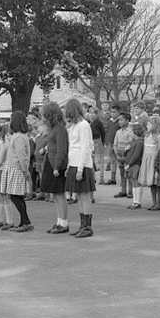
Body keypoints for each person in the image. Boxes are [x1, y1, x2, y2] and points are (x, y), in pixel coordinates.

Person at [64, 99, 96, 238]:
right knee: (79, 196)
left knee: (84, 196)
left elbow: (85, 148)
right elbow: (72, 147)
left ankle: (87, 226)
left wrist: (80, 169)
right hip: (74, 163)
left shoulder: (84, 125)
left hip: (82, 165)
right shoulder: (74, 126)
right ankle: (82, 224)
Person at [40, 102, 70, 234]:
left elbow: (61, 150)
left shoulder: (59, 129)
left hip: (56, 165)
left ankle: (64, 222)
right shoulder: (53, 128)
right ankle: (59, 221)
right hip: (50, 162)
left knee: (60, 194)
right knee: (55, 195)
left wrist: (57, 166)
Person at [139, 115, 160, 209]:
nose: (147, 126)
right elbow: (145, 150)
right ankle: (154, 202)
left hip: (155, 161)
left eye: (149, 124)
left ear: (155, 125)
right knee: (151, 183)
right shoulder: (147, 136)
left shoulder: (159, 137)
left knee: (157, 183)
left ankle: (158, 202)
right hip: (147, 161)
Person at [112, 112, 134, 198]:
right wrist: (117, 154)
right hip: (119, 153)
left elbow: (131, 143)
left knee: (128, 173)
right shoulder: (118, 132)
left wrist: (126, 155)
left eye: (122, 120)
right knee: (122, 173)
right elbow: (115, 144)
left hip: (127, 153)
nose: (120, 122)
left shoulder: (130, 131)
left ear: (127, 121)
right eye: (119, 120)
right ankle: (123, 190)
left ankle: (130, 191)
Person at [125, 125, 145, 210]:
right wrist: (125, 150)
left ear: (135, 133)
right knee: (133, 183)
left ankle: (138, 202)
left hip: (135, 164)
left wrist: (129, 164)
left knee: (137, 182)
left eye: (130, 132)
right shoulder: (132, 142)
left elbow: (136, 155)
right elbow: (126, 154)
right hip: (131, 165)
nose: (129, 134)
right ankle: (134, 201)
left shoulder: (139, 142)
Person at [102, 104, 121, 185]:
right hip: (110, 143)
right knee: (112, 160)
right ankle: (112, 178)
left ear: (118, 113)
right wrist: (106, 141)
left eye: (114, 112)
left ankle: (123, 178)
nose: (113, 114)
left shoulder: (120, 122)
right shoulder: (109, 122)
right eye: (112, 112)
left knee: (120, 161)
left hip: (118, 144)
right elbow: (108, 131)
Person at [88, 107, 106, 184]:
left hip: (97, 140)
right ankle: (93, 177)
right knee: (91, 160)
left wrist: (102, 142)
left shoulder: (99, 123)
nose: (92, 115)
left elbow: (103, 132)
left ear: (97, 114)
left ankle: (101, 177)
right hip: (91, 141)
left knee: (100, 161)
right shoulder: (89, 123)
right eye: (91, 113)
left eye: (94, 113)